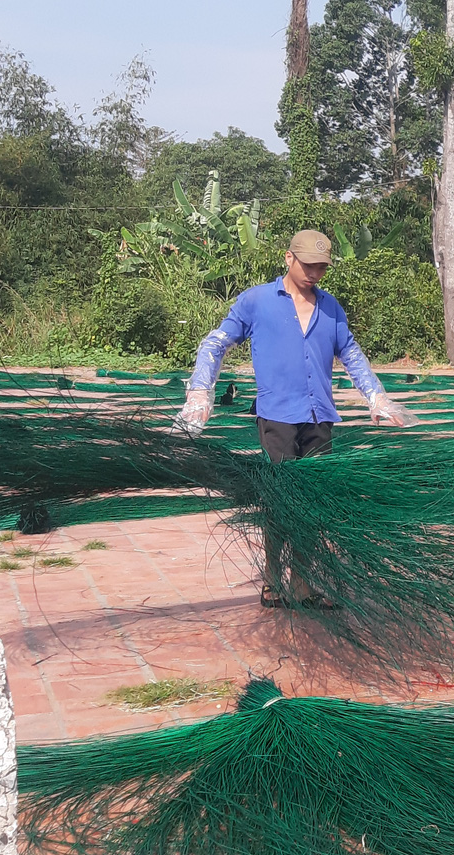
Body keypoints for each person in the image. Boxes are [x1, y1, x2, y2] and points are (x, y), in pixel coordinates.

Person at [173, 229, 417, 607]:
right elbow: (216, 343)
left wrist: (376, 397)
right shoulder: (256, 301)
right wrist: (199, 391)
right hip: (277, 416)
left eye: (321, 267)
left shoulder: (331, 307)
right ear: (289, 258)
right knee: (280, 500)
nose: (314, 274)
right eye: (308, 265)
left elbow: (350, 353)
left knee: (313, 501)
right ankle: (272, 580)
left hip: (319, 416)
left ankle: (303, 583)